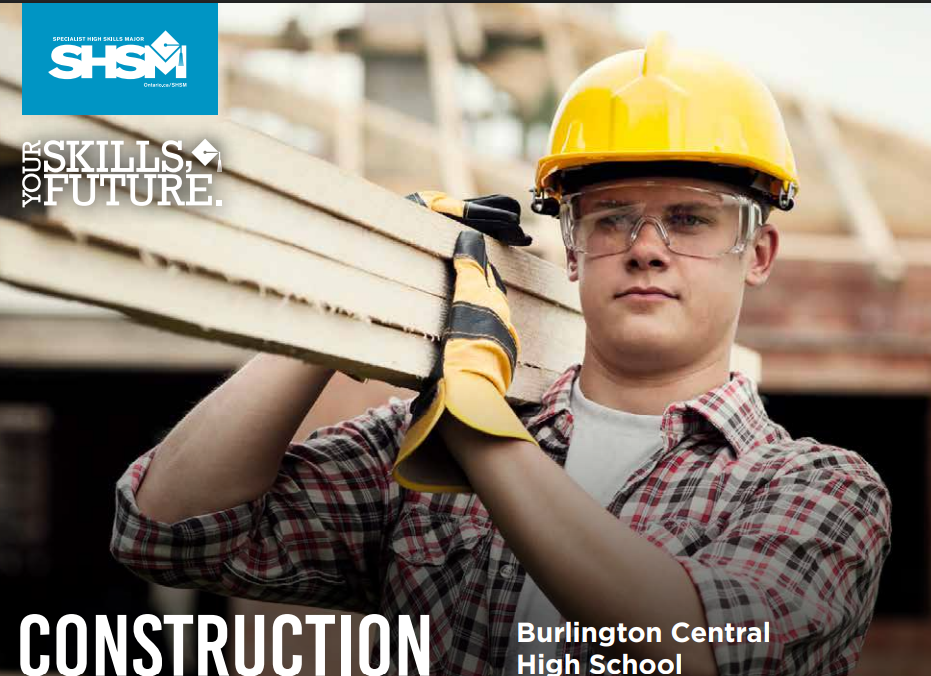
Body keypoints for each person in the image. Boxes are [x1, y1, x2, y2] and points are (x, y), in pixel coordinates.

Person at [111, 32, 891, 676]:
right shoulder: (418, 446)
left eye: (690, 219)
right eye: (612, 218)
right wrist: (352, 304)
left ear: (759, 251)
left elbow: (689, 644)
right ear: (573, 248)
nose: (647, 248)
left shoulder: (822, 490)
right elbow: (165, 528)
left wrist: (478, 432)